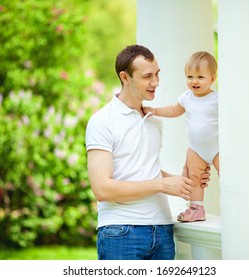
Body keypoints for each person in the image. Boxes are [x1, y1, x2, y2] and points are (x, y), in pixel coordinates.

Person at [85, 45, 211, 260]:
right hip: (122, 232)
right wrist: (162, 185)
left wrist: (184, 181)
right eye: (147, 76)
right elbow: (102, 189)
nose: (156, 82)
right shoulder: (102, 121)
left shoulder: (152, 120)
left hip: (162, 231)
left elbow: (142, 169)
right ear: (125, 77)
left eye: (157, 74)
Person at [143, 51, 219, 223]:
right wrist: (155, 111)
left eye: (200, 77)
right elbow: (174, 110)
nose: (194, 81)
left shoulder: (217, 99)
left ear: (212, 79)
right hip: (196, 149)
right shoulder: (186, 98)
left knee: (228, 174)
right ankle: (196, 208)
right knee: (194, 178)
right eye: (189, 76)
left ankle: (233, 203)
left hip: (217, 148)